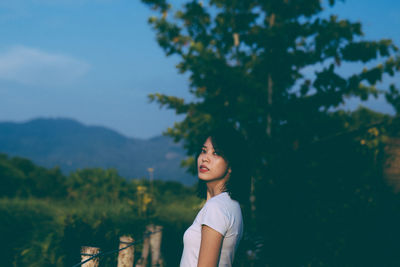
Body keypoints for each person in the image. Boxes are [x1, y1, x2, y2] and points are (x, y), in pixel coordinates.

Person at [180, 128, 251, 267]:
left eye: (216, 153)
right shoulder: (231, 205)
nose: (205, 158)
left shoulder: (217, 207)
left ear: (231, 165)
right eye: (203, 150)